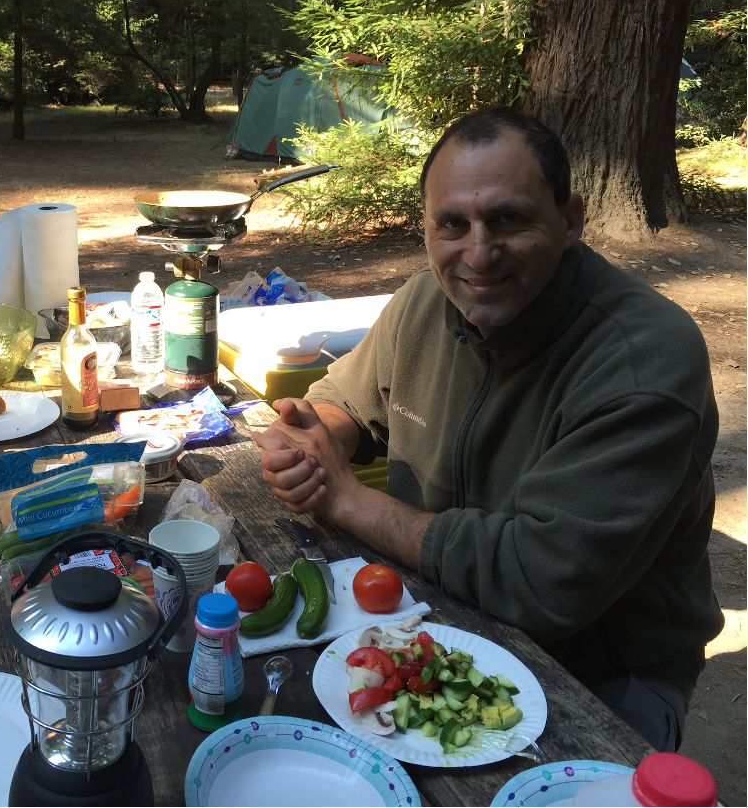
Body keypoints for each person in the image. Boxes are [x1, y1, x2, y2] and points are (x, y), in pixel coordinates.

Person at [252, 106, 724, 753]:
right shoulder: (425, 299)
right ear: (426, 229)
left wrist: (344, 496)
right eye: (453, 224)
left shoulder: (645, 362)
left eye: (507, 219)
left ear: (569, 221)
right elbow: (347, 400)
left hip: (600, 670)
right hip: (435, 614)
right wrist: (316, 436)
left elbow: (537, 582)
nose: (478, 253)